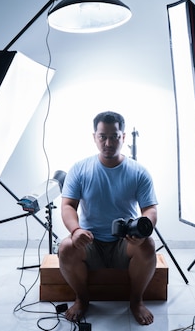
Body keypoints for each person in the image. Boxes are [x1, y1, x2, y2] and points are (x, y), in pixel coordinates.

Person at [58, 111, 159, 326]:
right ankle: (82, 299)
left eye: (114, 136)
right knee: (65, 247)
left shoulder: (138, 171)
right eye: (103, 136)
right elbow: (68, 206)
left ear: (123, 137)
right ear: (94, 137)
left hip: (126, 242)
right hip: (90, 240)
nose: (108, 142)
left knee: (148, 244)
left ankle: (136, 301)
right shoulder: (79, 169)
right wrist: (76, 231)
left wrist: (141, 233)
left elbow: (150, 209)